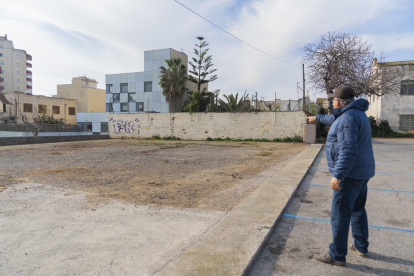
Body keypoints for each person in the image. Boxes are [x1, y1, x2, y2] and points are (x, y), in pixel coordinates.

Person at [307, 86, 375, 266]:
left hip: (350, 175)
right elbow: (332, 118)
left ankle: (336, 255)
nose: (332, 103)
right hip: (362, 173)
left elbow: (348, 149)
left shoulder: (348, 118)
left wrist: (338, 175)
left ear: (337, 102)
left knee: (340, 214)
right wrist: (316, 118)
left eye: (333, 100)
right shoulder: (355, 113)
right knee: (358, 209)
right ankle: (361, 246)